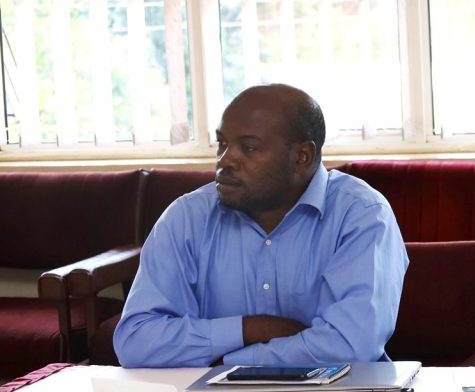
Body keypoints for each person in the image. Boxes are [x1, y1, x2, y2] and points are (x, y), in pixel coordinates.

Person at [114, 84, 408, 367]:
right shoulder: (187, 217)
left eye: (249, 148)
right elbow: (136, 342)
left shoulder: (361, 214)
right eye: (223, 143)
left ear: (301, 157)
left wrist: (227, 362)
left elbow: (351, 347)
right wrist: (251, 329)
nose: (225, 160)